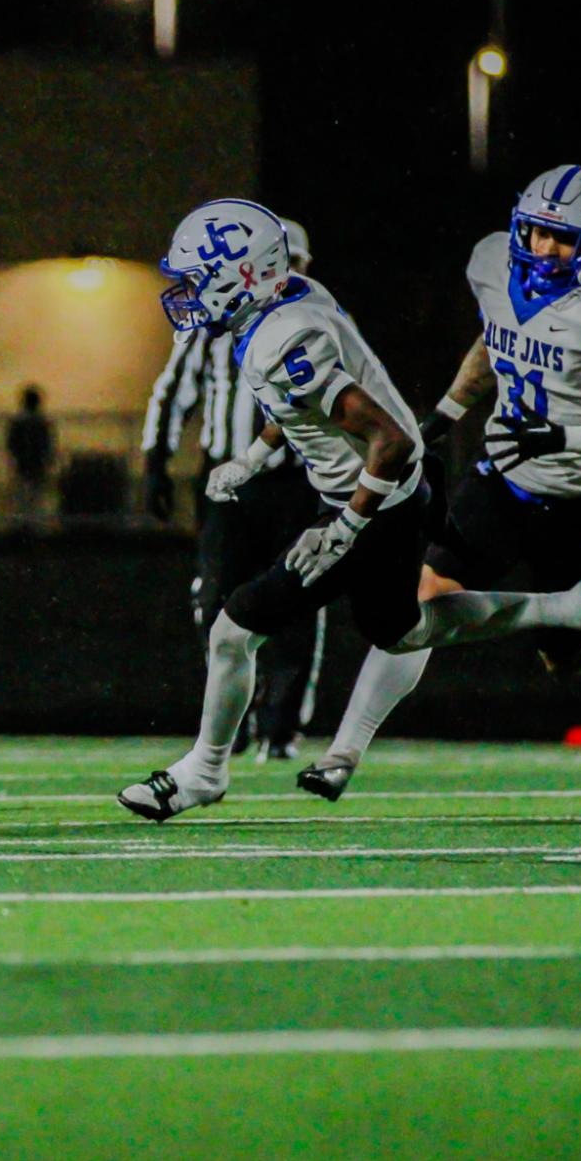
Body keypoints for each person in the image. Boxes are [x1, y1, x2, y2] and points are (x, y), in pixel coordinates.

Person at [117, 199, 581, 822]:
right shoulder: (291, 299)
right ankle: (570, 606)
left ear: (239, 276)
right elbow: (303, 406)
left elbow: (389, 439)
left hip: (373, 498)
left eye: (195, 279)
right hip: (393, 493)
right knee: (406, 630)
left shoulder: (282, 338)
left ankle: (204, 771)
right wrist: (253, 457)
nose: (185, 294)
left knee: (234, 628)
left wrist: (346, 525)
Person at [302, 165, 581, 799]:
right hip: (504, 477)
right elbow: (497, 341)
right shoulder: (494, 261)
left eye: (563, 240)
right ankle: (342, 755)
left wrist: (566, 436)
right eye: (535, 233)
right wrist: (447, 411)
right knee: (421, 596)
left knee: (565, 655)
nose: (543, 249)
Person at [139, 218, 325, 759]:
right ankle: (233, 715)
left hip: (297, 479)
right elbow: (175, 388)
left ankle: (281, 725)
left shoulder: (322, 319)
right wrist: (156, 458)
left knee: (298, 599)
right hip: (227, 480)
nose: (289, 275)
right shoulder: (214, 318)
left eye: (297, 264)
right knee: (218, 597)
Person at [5, 385, 56, 524]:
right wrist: (49, 459)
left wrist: (13, 456)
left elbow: (10, 442)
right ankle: (35, 521)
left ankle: (21, 522)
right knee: (37, 494)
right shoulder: (43, 421)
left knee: (21, 492)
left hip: (22, 461)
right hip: (38, 461)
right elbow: (48, 443)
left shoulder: (17, 420)